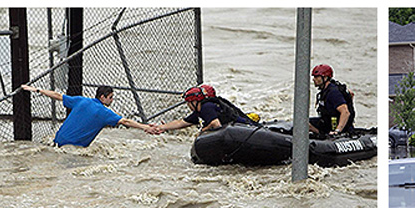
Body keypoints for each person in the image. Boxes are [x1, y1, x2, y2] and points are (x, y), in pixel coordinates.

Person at [21, 84, 153, 146]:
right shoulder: (105, 113)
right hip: (73, 149)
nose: (112, 100)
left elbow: (58, 96)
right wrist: (145, 127)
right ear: (102, 97)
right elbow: (126, 122)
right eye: (110, 98)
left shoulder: (81, 100)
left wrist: (37, 90)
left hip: (57, 141)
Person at [149, 85, 255, 136]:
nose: (188, 106)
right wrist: (161, 127)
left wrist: (202, 131)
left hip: (244, 130)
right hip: (239, 131)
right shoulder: (200, 112)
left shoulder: (206, 107)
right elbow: (181, 123)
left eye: (189, 103)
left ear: (195, 102)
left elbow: (215, 124)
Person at [308, 64, 355, 137]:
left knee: (307, 124)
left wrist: (337, 131)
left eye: (317, 77)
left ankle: (323, 135)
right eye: (314, 77)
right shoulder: (324, 91)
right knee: (304, 123)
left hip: (337, 126)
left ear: (325, 78)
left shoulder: (333, 92)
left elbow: (345, 112)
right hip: (327, 122)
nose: (314, 79)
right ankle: (321, 135)